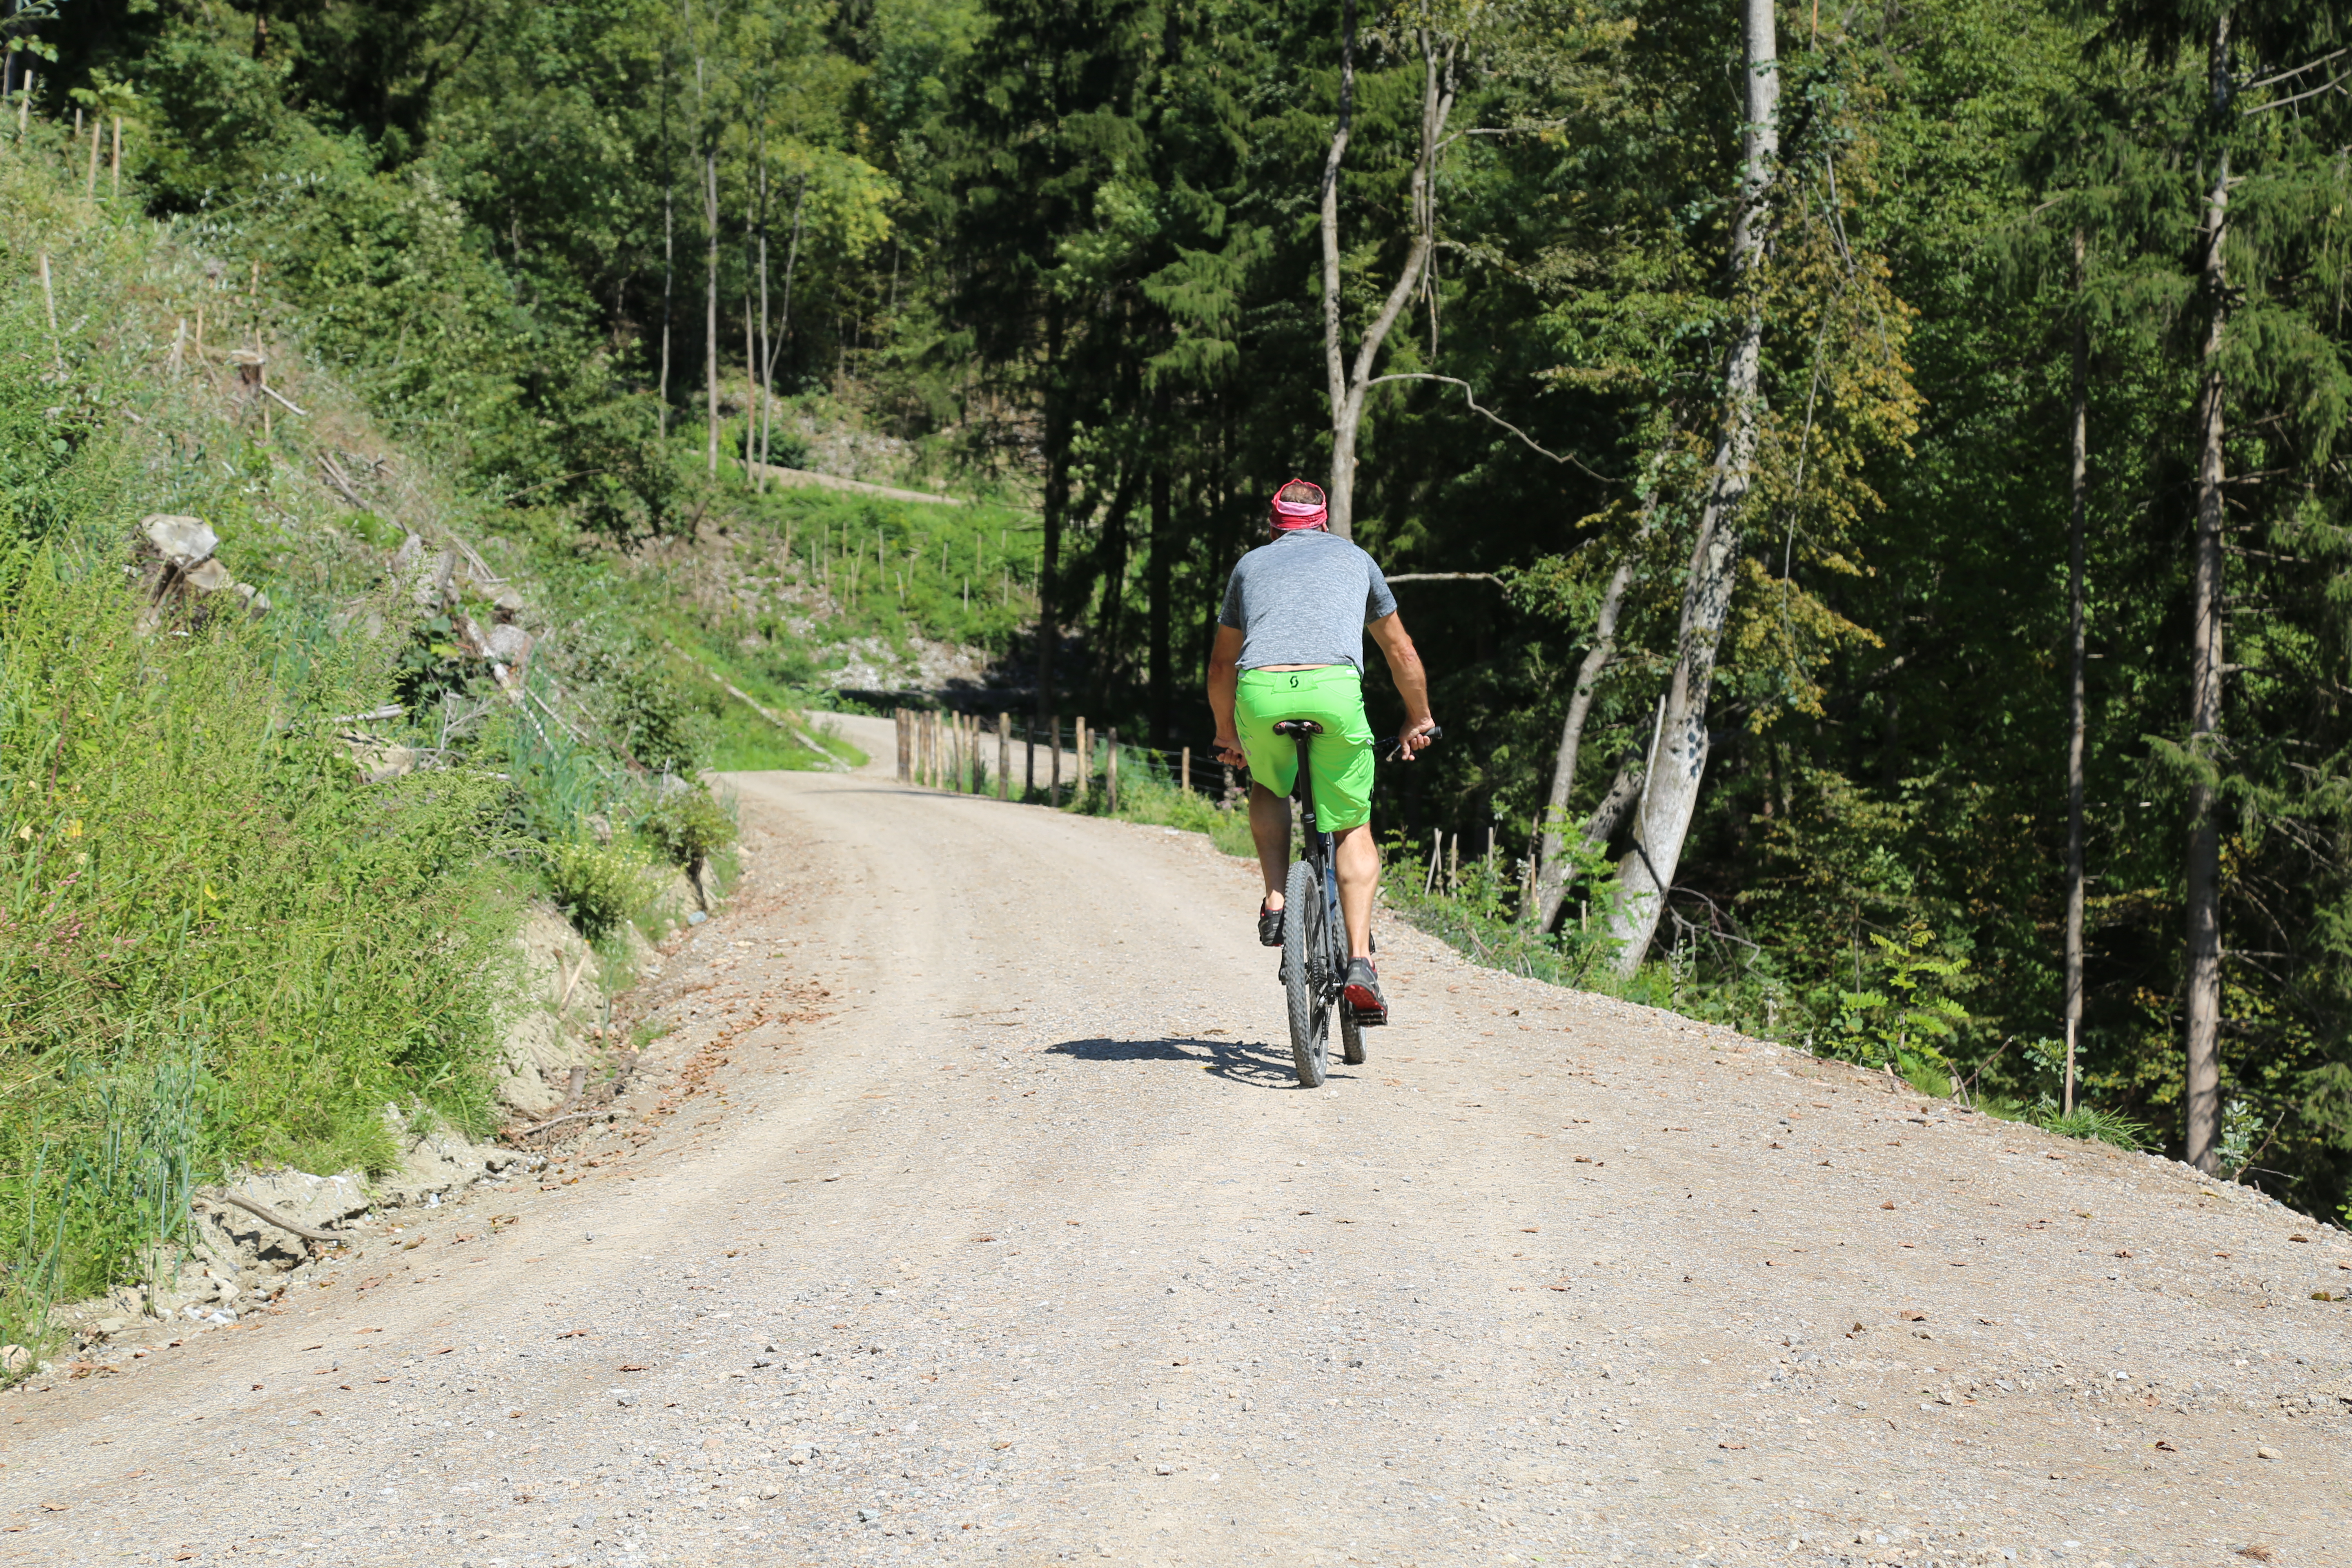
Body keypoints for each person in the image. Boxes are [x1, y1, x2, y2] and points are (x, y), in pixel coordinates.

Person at [1208, 478, 1437, 1024]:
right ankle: (1359, 962)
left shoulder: (1250, 565)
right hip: (1333, 692)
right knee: (1353, 825)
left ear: (1274, 527)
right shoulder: (1355, 559)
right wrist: (1419, 717)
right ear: (1324, 523)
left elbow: (1220, 665)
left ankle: (1276, 901)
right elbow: (1401, 651)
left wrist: (1227, 735)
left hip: (1262, 691)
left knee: (1268, 783)